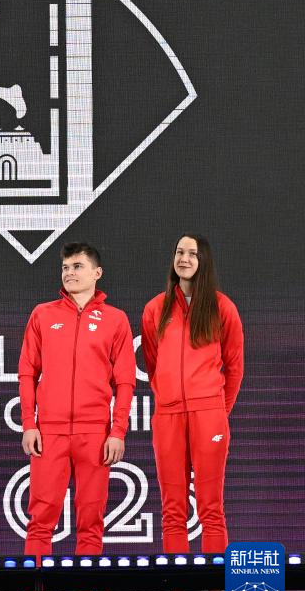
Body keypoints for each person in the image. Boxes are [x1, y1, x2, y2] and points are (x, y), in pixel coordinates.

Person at [18, 242, 136, 557]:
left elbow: (125, 381)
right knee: (40, 521)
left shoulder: (116, 319)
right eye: (65, 267)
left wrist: (117, 431)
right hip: (50, 432)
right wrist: (29, 424)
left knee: (91, 522)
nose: (70, 273)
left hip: (95, 433)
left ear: (97, 273)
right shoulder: (43, 315)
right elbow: (27, 373)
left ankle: (86, 589)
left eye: (77, 266)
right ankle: (35, 589)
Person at [141, 234, 243, 553]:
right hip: (168, 417)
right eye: (179, 252)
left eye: (192, 254)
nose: (184, 259)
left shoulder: (222, 307)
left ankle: (214, 585)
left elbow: (235, 367)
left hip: (209, 415)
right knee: (172, 511)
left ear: (204, 260)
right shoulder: (155, 308)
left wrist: (217, 410)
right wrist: (167, 400)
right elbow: (153, 363)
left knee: (211, 509)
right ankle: (176, 586)